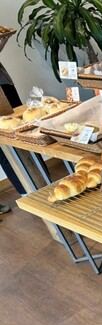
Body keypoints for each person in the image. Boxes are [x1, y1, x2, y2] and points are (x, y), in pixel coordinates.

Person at [1, 37, 27, 214]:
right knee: (3, 145)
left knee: (23, 130)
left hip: (4, 84)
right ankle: (26, 190)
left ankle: (40, 181)